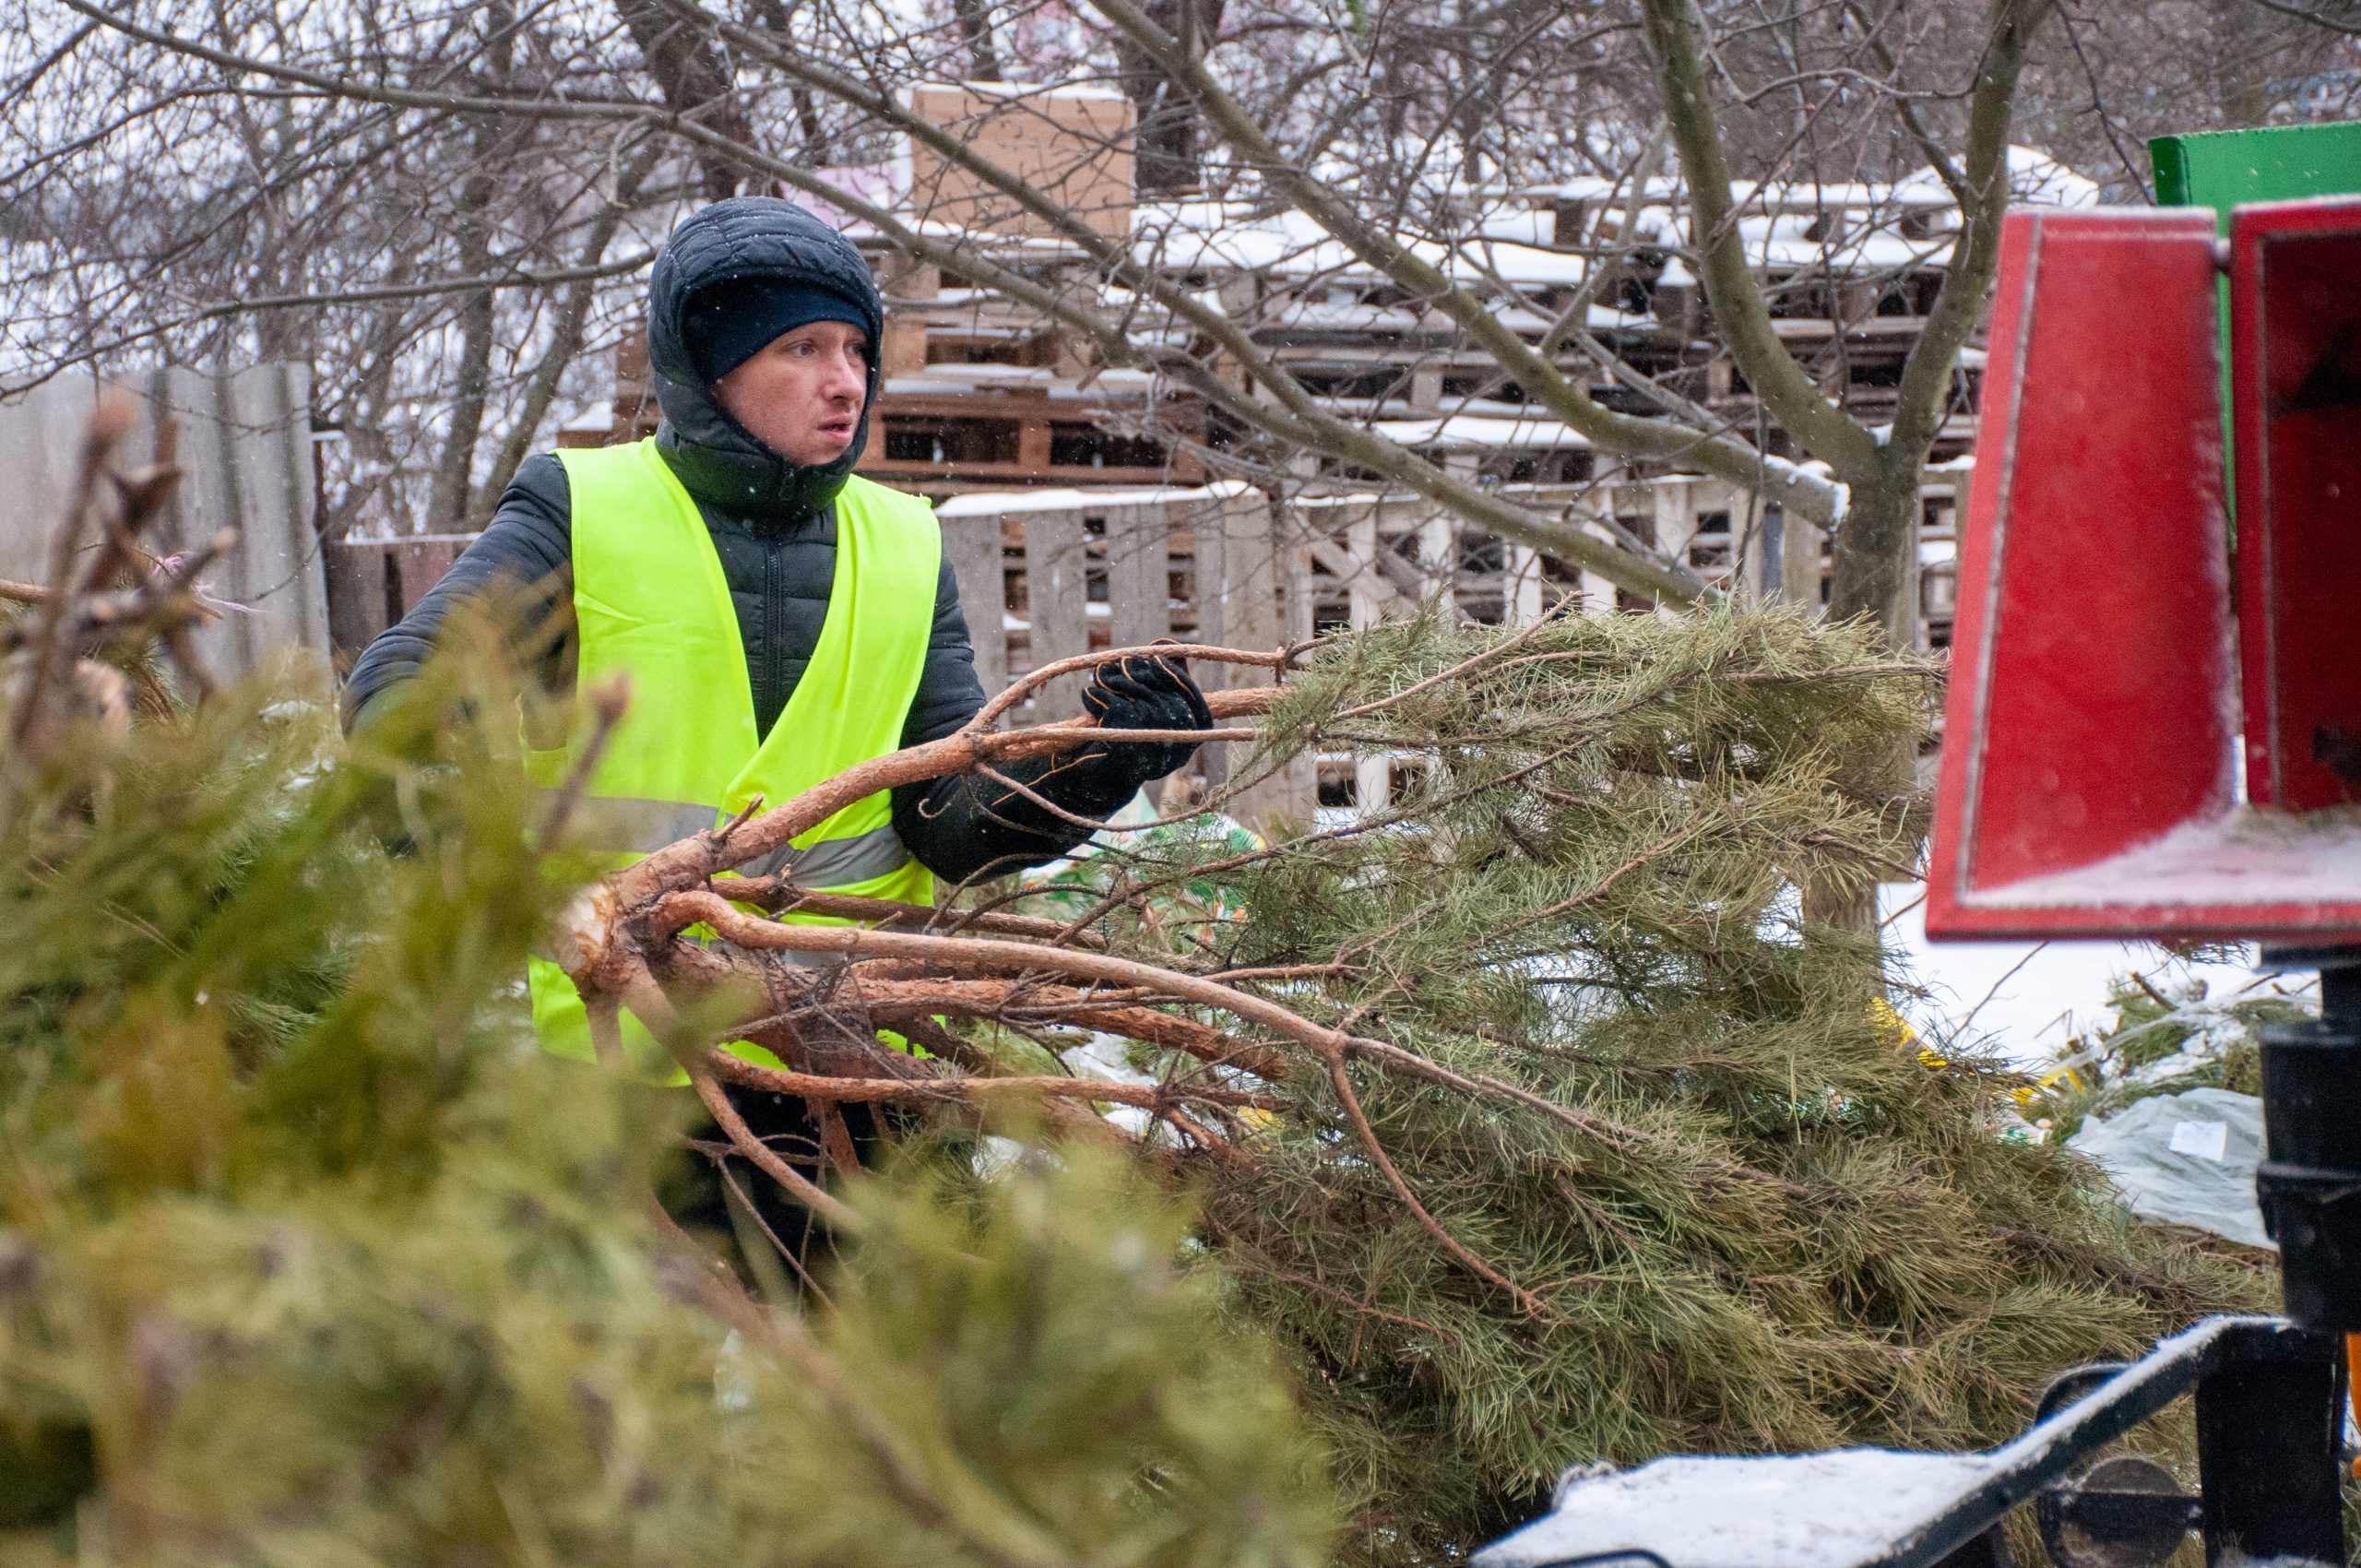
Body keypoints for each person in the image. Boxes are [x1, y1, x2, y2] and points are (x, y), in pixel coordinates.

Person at [344, 196, 1211, 1277]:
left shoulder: (901, 541)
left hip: (859, 1066)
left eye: (855, 348)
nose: (845, 380)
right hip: (633, 1081)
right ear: (709, 366)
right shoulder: (583, 507)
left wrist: (1093, 764)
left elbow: (945, 823)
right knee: (633, 1429)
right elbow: (405, 694)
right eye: (801, 347)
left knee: (903, 1418)